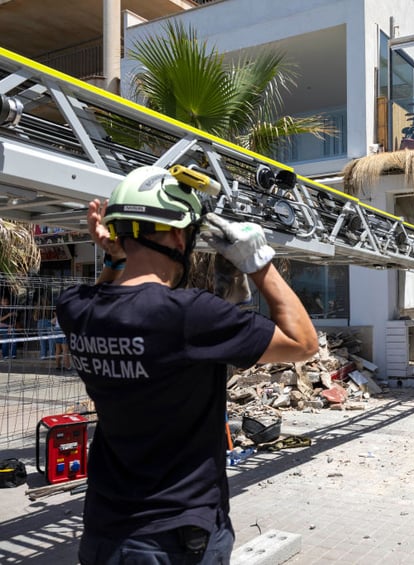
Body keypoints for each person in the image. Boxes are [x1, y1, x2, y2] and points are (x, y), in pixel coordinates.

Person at [55, 166, 319, 564]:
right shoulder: (190, 316)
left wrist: (116, 260)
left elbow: (108, 293)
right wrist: (259, 263)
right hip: (175, 536)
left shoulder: (76, 308)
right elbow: (304, 343)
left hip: (105, 529)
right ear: (179, 235)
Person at [0, 295, 18, 360]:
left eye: (6, 301)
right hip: (3, 326)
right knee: (5, 341)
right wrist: (8, 315)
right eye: (3, 301)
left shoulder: (11, 308)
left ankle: (13, 354)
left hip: (11, 326)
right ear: (1, 302)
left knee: (14, 340)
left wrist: (14, 315)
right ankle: (5, 355)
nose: (5, 302)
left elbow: (15, 318)